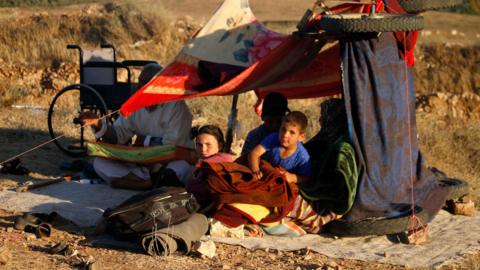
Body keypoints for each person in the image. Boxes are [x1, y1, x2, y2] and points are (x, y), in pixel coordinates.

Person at [80, 63, 195, 190]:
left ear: (158, 85)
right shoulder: (135, 103)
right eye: (140, 81)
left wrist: (143, 141)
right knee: (99, 163)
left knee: (181, 168)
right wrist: (98, 123)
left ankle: (135, 182)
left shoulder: (175, 106)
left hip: (166, 164)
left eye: (145, 82)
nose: (140, 87)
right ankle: (143, 184)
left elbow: (171, 148)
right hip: (141, 166)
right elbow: (119, 135)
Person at [248, 111, 311, 184]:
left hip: (279, 182)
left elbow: (307, 178)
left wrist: (292, 177)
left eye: (292, 132)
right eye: (283, 129)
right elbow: (254, 153)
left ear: (301, 137)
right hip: (264, 173)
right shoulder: (274, 138)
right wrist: (255, 170)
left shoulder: (302, 156)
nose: (285, 135)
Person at [185, 125, 233, 206]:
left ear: (220, 145)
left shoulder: (212, 163)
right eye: (199, 145)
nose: (203, 149)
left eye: (208, 145)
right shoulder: (226, 158)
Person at [240, 92, 289, 156]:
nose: (274, 126)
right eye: (270, 122)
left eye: (279, 121)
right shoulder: (254, 135)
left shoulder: (289, 136)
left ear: (285, 119)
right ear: (262, 117)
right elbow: (244, 159)